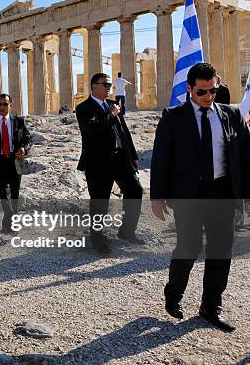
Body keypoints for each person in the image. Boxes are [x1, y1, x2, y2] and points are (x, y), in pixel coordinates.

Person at [151, 62, 250, 332]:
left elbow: (245, 157)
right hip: (188, 196)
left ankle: (211, 307)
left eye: (213, 91)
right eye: (202, 92)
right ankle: (173, 293)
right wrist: (157, 196)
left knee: (221, 251)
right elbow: (161, 159)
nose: (208, 97)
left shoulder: (232, 115)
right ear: (190, 89)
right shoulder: (173, 117)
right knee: (189, 247)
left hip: (222, 194)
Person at [76, 73, 144, 254]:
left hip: (121, 158)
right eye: (105, 85)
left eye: (109, 85)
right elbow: (92, 129)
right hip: (98, 163)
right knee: (100, 202)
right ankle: (98, 240)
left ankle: (127, 232)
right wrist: (112, 115)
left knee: (135, 191)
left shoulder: (113, 104)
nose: (108, 88)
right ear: (94, 86)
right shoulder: (83, 108)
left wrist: (133, 155)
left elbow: (124, 132)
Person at [0, 94, 31, 232]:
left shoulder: (19, 121)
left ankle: (11, 222)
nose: (2, 107)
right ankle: (10, 216)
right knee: (3, 192)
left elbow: (27, 138)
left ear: (10, 105)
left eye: (5, 104)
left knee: (15, 193)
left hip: (15, 160)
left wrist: (24, 148)